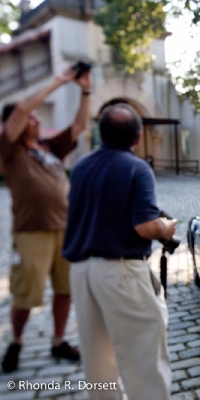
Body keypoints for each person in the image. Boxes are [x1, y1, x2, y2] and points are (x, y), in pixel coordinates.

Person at [62, 103, 177, 399]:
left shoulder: (81, 167)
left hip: (81, 273)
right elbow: (144, 226)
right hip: (121, 272)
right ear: (137, 138)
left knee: (98, 363)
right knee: (144, 360)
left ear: (101, 134)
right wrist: (165, 228)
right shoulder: (137, 167)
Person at [0, 64, 92, 372]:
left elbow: (79, 126)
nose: (37, 119)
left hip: (65, 231)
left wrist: (85, 89)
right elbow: (24, 108)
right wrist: (59, 81)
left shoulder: (49, 149)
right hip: (31, 233)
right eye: (32, 118)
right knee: (26, 295)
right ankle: (16, 341)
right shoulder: (10, 150)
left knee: (65, 290)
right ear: (18, 123)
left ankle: (57, 340)